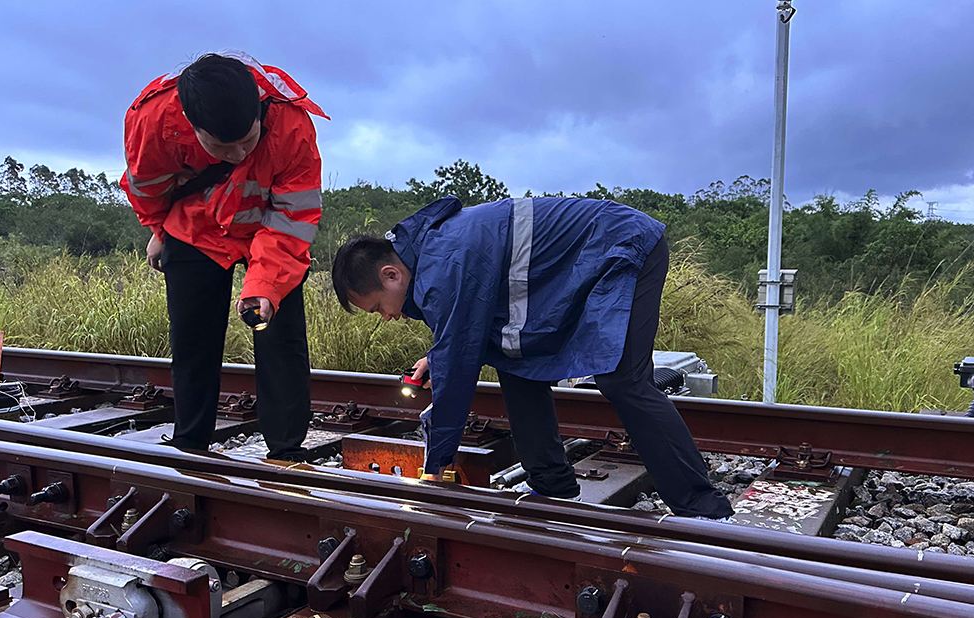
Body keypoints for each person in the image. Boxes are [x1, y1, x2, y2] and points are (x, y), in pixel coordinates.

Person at [330, 196, 734, 520]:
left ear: (390, 275)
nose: (387, 317)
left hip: (622, 247)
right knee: (516, 361)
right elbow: (465, 330)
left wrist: (435, 469)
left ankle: (701, 507)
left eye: (377, 308)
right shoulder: (433, 257)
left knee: (623, 380)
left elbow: (458, 367)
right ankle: (552, 483)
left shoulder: (443, 264)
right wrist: (437, 358)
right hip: (579, 263)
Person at [119, 52, 327, 460]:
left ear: (260, 114)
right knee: (193, 338)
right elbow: (146, 186)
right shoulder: (154, 119)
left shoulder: (291, 124)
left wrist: (265, 287)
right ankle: (190, 446)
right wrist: (159, 231)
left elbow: (293, 218)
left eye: (247, 141)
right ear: (192, 124)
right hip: (193, 227)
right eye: (220, 146)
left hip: (268, 229)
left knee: (280, 336)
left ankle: (287, 451)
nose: (236, 154)